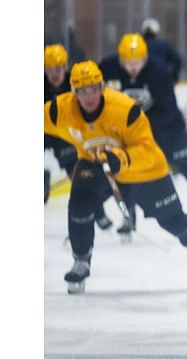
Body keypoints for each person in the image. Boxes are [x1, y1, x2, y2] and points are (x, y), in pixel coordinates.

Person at [44, 60, 187, 295]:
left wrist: (120, 159)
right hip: (96, 165)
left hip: (144, 170)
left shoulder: (125, 110)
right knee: (79, 204)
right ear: (74, 92)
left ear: (102, 86)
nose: (90, 96)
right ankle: (81, 261)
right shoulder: (60, 109)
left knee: (174, 222)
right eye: (83, 91)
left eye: (94, 88)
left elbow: (148, 149)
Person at [99, 33, 187, 232]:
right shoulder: (107, 67)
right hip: (131, 134)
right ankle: (128, 215)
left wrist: (141, 128)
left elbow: (168, 110)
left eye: (137, 62)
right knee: (123, 172)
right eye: (128, 63)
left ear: (145, 58)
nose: (132, 67)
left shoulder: (158, 71)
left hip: (168, 130)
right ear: (120, 59)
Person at [44, 44, 114, 229]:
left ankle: (96, 211)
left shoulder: (74, 82)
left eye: (58, 68)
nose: (55, 74)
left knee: (80, 173)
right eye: (50, 69)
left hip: (65, 135)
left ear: (65, 66)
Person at [141, 18, 183, 83]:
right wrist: (174, 77)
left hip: (142, 80)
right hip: (161, 79)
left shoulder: (137, 45)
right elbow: (178, 60)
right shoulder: (164, 45)